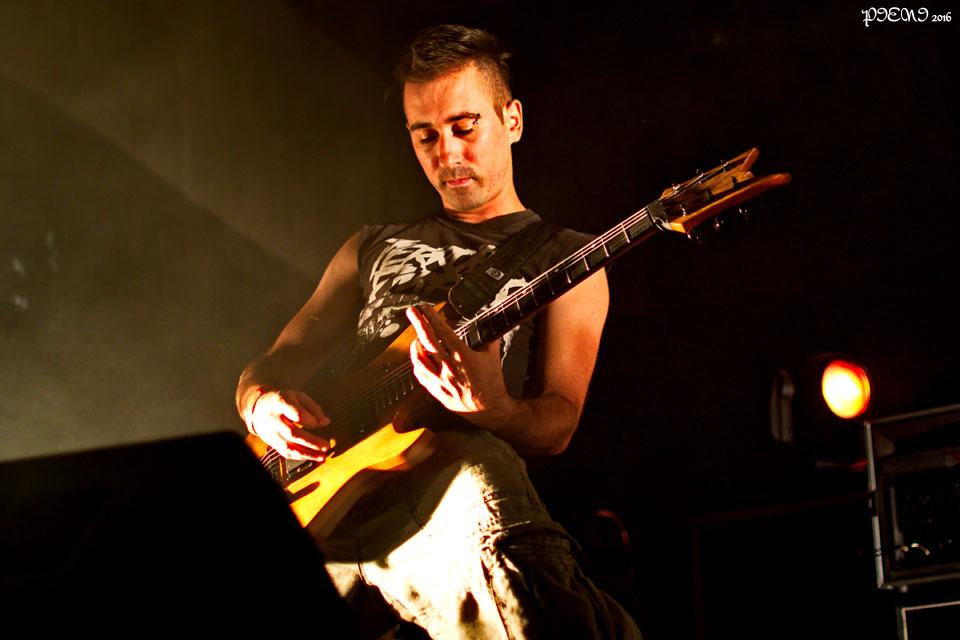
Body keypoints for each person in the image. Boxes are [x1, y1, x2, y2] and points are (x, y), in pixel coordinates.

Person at [236, 24, 641, 639]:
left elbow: (560, 421)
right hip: (326, 488)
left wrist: (496, 408)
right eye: (425, 135)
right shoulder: (369, 245)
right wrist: (260, 402)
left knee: (536, 606)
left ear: (512, 120)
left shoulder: (568, 259)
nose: (446, 153)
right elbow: (282, 357)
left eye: (464, 126)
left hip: (447, 481)